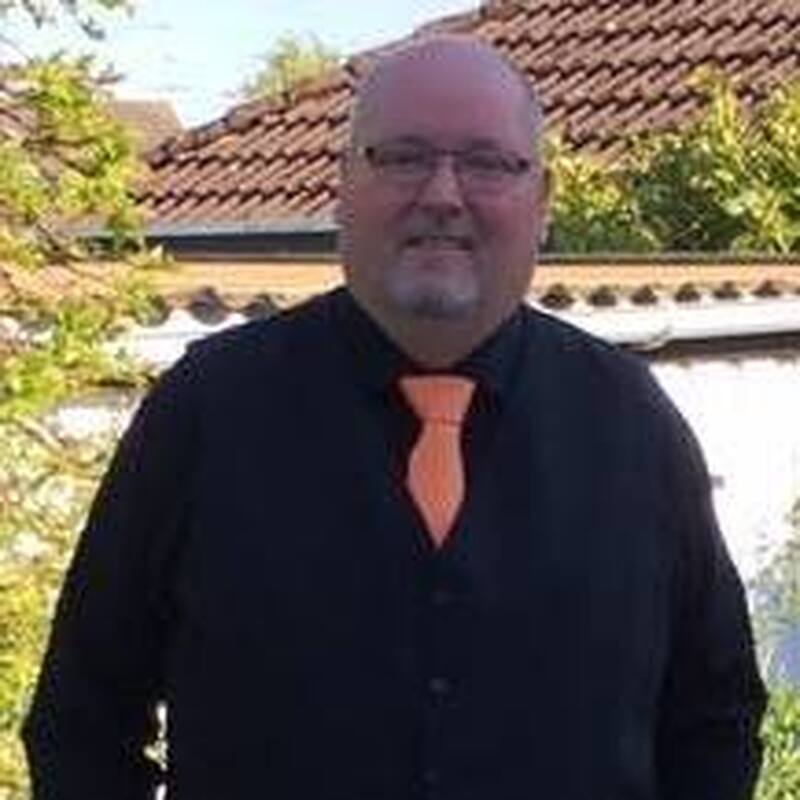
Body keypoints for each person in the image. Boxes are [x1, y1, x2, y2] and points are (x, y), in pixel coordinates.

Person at [23, 35, 766, 800]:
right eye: (404, 157)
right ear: (342, 185)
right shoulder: (206, 412)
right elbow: (83, 721)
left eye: (487, 162)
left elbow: (715, 717)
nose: (443, 194)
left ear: (542, 200)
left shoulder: (633, 427)